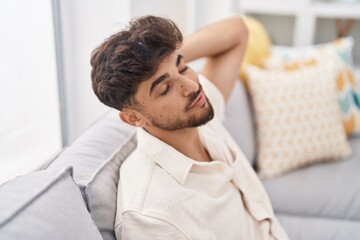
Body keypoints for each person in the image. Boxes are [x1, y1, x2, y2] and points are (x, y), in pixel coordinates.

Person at [91, 15, 288, 239]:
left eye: (183, 68)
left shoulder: (197, 112)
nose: (192, 86)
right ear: (134, 118)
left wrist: (160, 52)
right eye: (165, 88)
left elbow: (237, 31)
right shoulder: (151, 217)